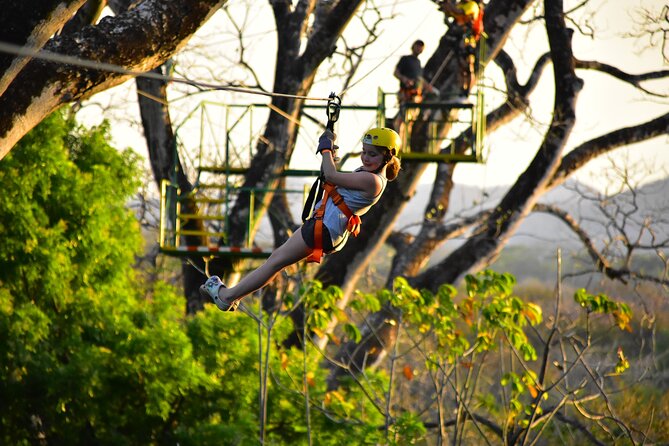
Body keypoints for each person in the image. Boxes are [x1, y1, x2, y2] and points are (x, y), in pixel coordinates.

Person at [199, 127, 402, 311]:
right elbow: (334, 176)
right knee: (276, 262)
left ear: (388, 156)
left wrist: (325, 150)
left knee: (275, 262)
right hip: (326, 229)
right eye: (364, 152)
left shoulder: (373, 181)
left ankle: (228, 296)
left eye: (372, 154)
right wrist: (330, 152)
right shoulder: (368, 174)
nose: (365, 158)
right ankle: (232, 296)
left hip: (324, 228)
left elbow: (331, 176)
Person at [440, 0, 484, 101]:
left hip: (469, 40)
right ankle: (461, 89)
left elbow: (459, 12)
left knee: (468, 67)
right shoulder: (460, 4)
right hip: (459, 38)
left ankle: (467, 90)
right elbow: (452, 13)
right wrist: (446, 7)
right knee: (460, 67)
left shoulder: (472, 5)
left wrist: (449, 5)